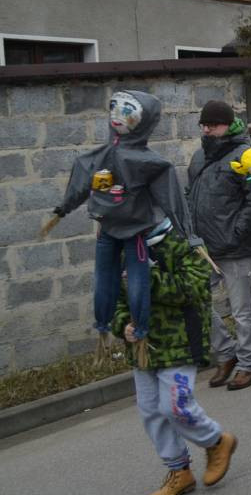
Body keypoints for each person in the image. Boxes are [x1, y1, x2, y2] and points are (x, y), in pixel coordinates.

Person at [47, 90, 200, 366]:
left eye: (128, 111)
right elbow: (82, 177)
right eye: (114, 108)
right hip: (108, 228)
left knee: (135, 279)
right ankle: (104, 326)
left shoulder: (149, 162)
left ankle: (138, 331)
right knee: (105, 278)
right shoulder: (100, 156)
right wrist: (64, 207)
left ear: (143, 120)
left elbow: (172, 198)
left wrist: (188, 234)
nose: (118, 116)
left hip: (134, 230)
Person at [112, 218, 236, 495]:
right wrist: (122, 325)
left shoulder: (183, 243)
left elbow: (193, 288)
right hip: (143, 349)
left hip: (179, 343)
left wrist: (145, 275)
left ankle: (216, 441)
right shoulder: (122, 250)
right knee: (151, 411)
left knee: (176, 407)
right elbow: (115, 298)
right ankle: (179, 471)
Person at [187, 100, 251, 391]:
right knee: (195, 301)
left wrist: (237, 233)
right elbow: (190, 195)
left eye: (213, 125)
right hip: (203, 247)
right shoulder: (199, 157)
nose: (207, 130)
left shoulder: (245, 155)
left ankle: (248, 365)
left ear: (228, 125)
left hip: (236, 247)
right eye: (204, 125)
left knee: (242, 310)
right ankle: (226, 353)